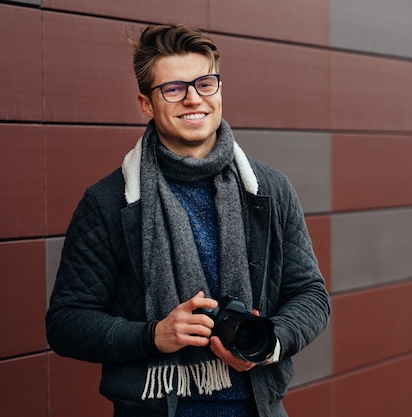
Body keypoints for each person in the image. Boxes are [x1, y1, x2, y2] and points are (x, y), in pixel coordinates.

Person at [46, 23, 330, 417]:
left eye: (205, 83)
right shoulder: (108, 202)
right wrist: (153, 335)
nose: (193, 99)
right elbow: (66, 323)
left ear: (219, 89)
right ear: (146, 103)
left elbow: (311, 295)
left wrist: (269, 345)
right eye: (174, 89)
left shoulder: (268, 190)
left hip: (258, 408)